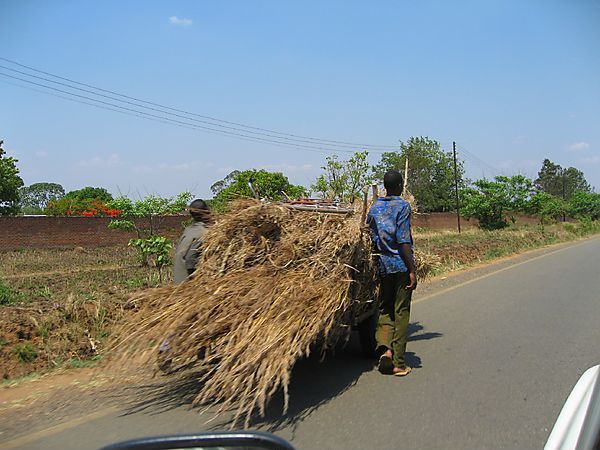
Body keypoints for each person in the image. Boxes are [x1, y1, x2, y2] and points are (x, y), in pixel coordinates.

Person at [367, 170, 417, 377]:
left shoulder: (375, 207)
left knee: (385, 309)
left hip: (383, 266)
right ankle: (398, 362)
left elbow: (369, 233)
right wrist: (412, 269)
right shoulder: (403, 206)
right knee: (401, 312)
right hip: (400, 265)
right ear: (399, 186)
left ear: (386, 187)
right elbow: (403, 240)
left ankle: (385, 350)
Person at [173, 199, 212, 284]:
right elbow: (190, 261)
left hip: (177, 283)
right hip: (186, 287)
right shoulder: (203, 233)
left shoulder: (188, 230)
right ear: (207, 211)